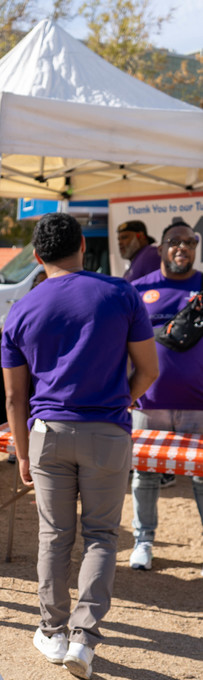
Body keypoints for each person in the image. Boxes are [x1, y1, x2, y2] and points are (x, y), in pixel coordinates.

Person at [2, 213, 158, 680]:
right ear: (83, 250)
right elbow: (149, 370)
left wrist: (23, 452)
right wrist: (119, 402)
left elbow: (13, 395)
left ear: (36, 256)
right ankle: (84, 638)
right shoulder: (120, 293)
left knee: (54, 535)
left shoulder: (22, 308)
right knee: (101, 537)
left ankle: (52, 629)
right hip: (107, 431)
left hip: (47, 432)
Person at [129, 220, 203, 571]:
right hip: (149, 402)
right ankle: (143, 540)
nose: (182, 248)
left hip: (199, 406)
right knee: (144, 475)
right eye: (174, 241)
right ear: (160, 248)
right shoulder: (138, 289)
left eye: (189, 242)